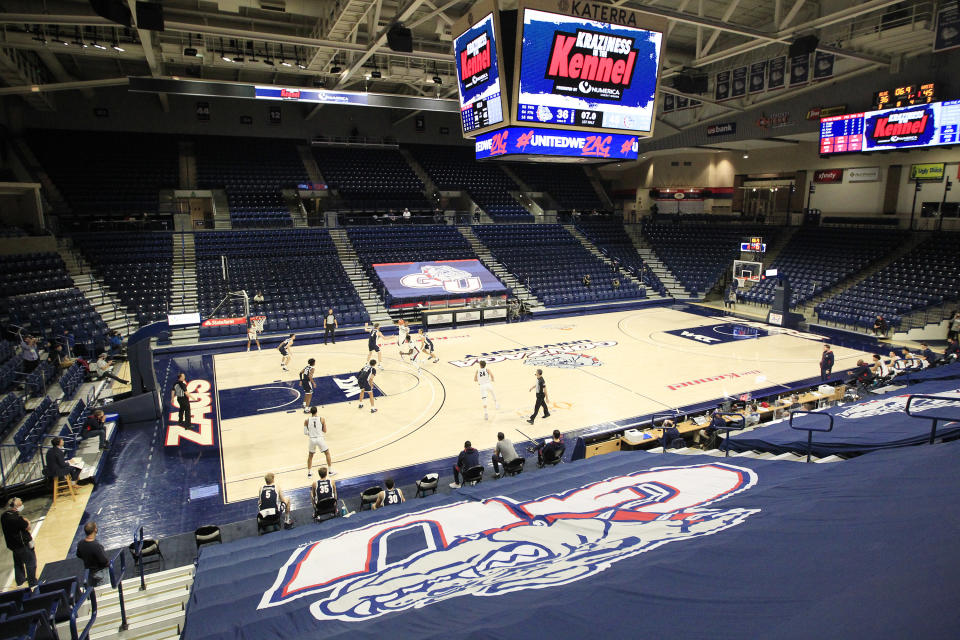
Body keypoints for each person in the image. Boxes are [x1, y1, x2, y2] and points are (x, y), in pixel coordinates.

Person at [2, 497, 37, 587]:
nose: (22, 506)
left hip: (13, 545)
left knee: (18, 563)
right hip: (22, 545)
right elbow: (27, 526)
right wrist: (27, 521)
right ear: (15, 507)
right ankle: (32, 583)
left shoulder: (4, 516)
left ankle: (20, 581)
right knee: (31, 562)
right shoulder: (16, 519)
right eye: (20, 505)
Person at [304, 406, 335, 477]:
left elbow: (305, 432)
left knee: (310, 456)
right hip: (320, 438)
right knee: (327, 453)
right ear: (316, 411)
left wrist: (311, 433)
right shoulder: (322, 419)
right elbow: (325, 431)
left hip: (312, 439)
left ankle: (309, 473)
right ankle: (330, 471)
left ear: (310, 412)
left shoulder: (306, 420)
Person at [76, 521, 110, 586]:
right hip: (100, 572)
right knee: (104, 590)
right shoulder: (96, 545)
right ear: (95, 530)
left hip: (89, 572)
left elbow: (78, 555)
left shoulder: (80, 543)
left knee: (93, 590)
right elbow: (104, 561)